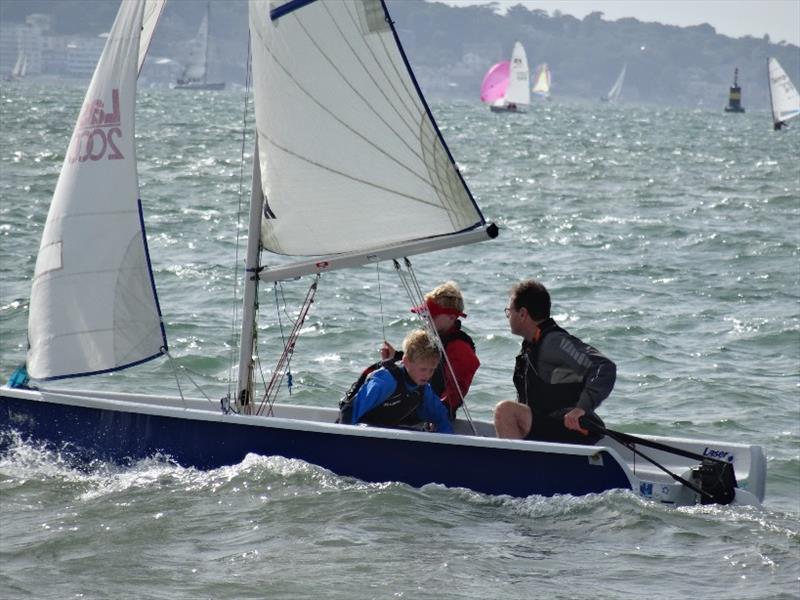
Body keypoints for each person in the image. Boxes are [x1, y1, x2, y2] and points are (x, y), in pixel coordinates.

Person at [494, 279, 616, 445]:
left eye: (509, 311)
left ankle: (516, 468)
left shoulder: (554, 342)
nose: (508, 316)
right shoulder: (530, 345)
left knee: (505, 411)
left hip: (572, 429)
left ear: (523, 314)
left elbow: (604, 367)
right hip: (548, 426)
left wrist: (581, 408)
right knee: (511, 412)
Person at [381, 281, 480, 420]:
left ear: (451, 317)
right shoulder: (430, 335)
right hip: (414, 405)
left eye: (431, 316)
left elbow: (456, 391)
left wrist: (437, 412)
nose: (426, 319)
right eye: (425, 315)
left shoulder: (459, 347)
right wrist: (395, 357)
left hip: (435, 414)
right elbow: (418, 362)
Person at [341, 329, 454, 433]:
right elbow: (350, 411)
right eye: (423, 369)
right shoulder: (386, 381)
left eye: (432, 370)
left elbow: (441, 419)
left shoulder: (424, 390)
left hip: (388, 436)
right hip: (363, 432)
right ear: (406, 361)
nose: (428, 375)